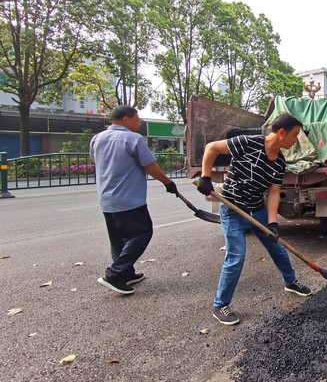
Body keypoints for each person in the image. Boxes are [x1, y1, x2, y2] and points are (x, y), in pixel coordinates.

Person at [196, 113, 312, 325]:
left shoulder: (279, 162)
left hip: (256, 209)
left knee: (277, 247)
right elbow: (212, 147)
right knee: (236, 256)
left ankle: (290, 281)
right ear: (282, 132)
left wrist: (273, 222)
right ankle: (220, 305)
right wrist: (205, 177)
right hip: (233, 209)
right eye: (295, 135)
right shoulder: (248, 143)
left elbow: (274, 191)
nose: (296, 140)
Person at [90, 105, 178, 295]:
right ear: (125, 119)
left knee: (118, 240)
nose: (138, 124)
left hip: (106, 199)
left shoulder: (97, 139)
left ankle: (126, 273)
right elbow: (150, 166)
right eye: (136, 120)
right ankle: (114, 274)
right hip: (128, 199)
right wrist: (168, 183)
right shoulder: (133, 139)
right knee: (142, 233)